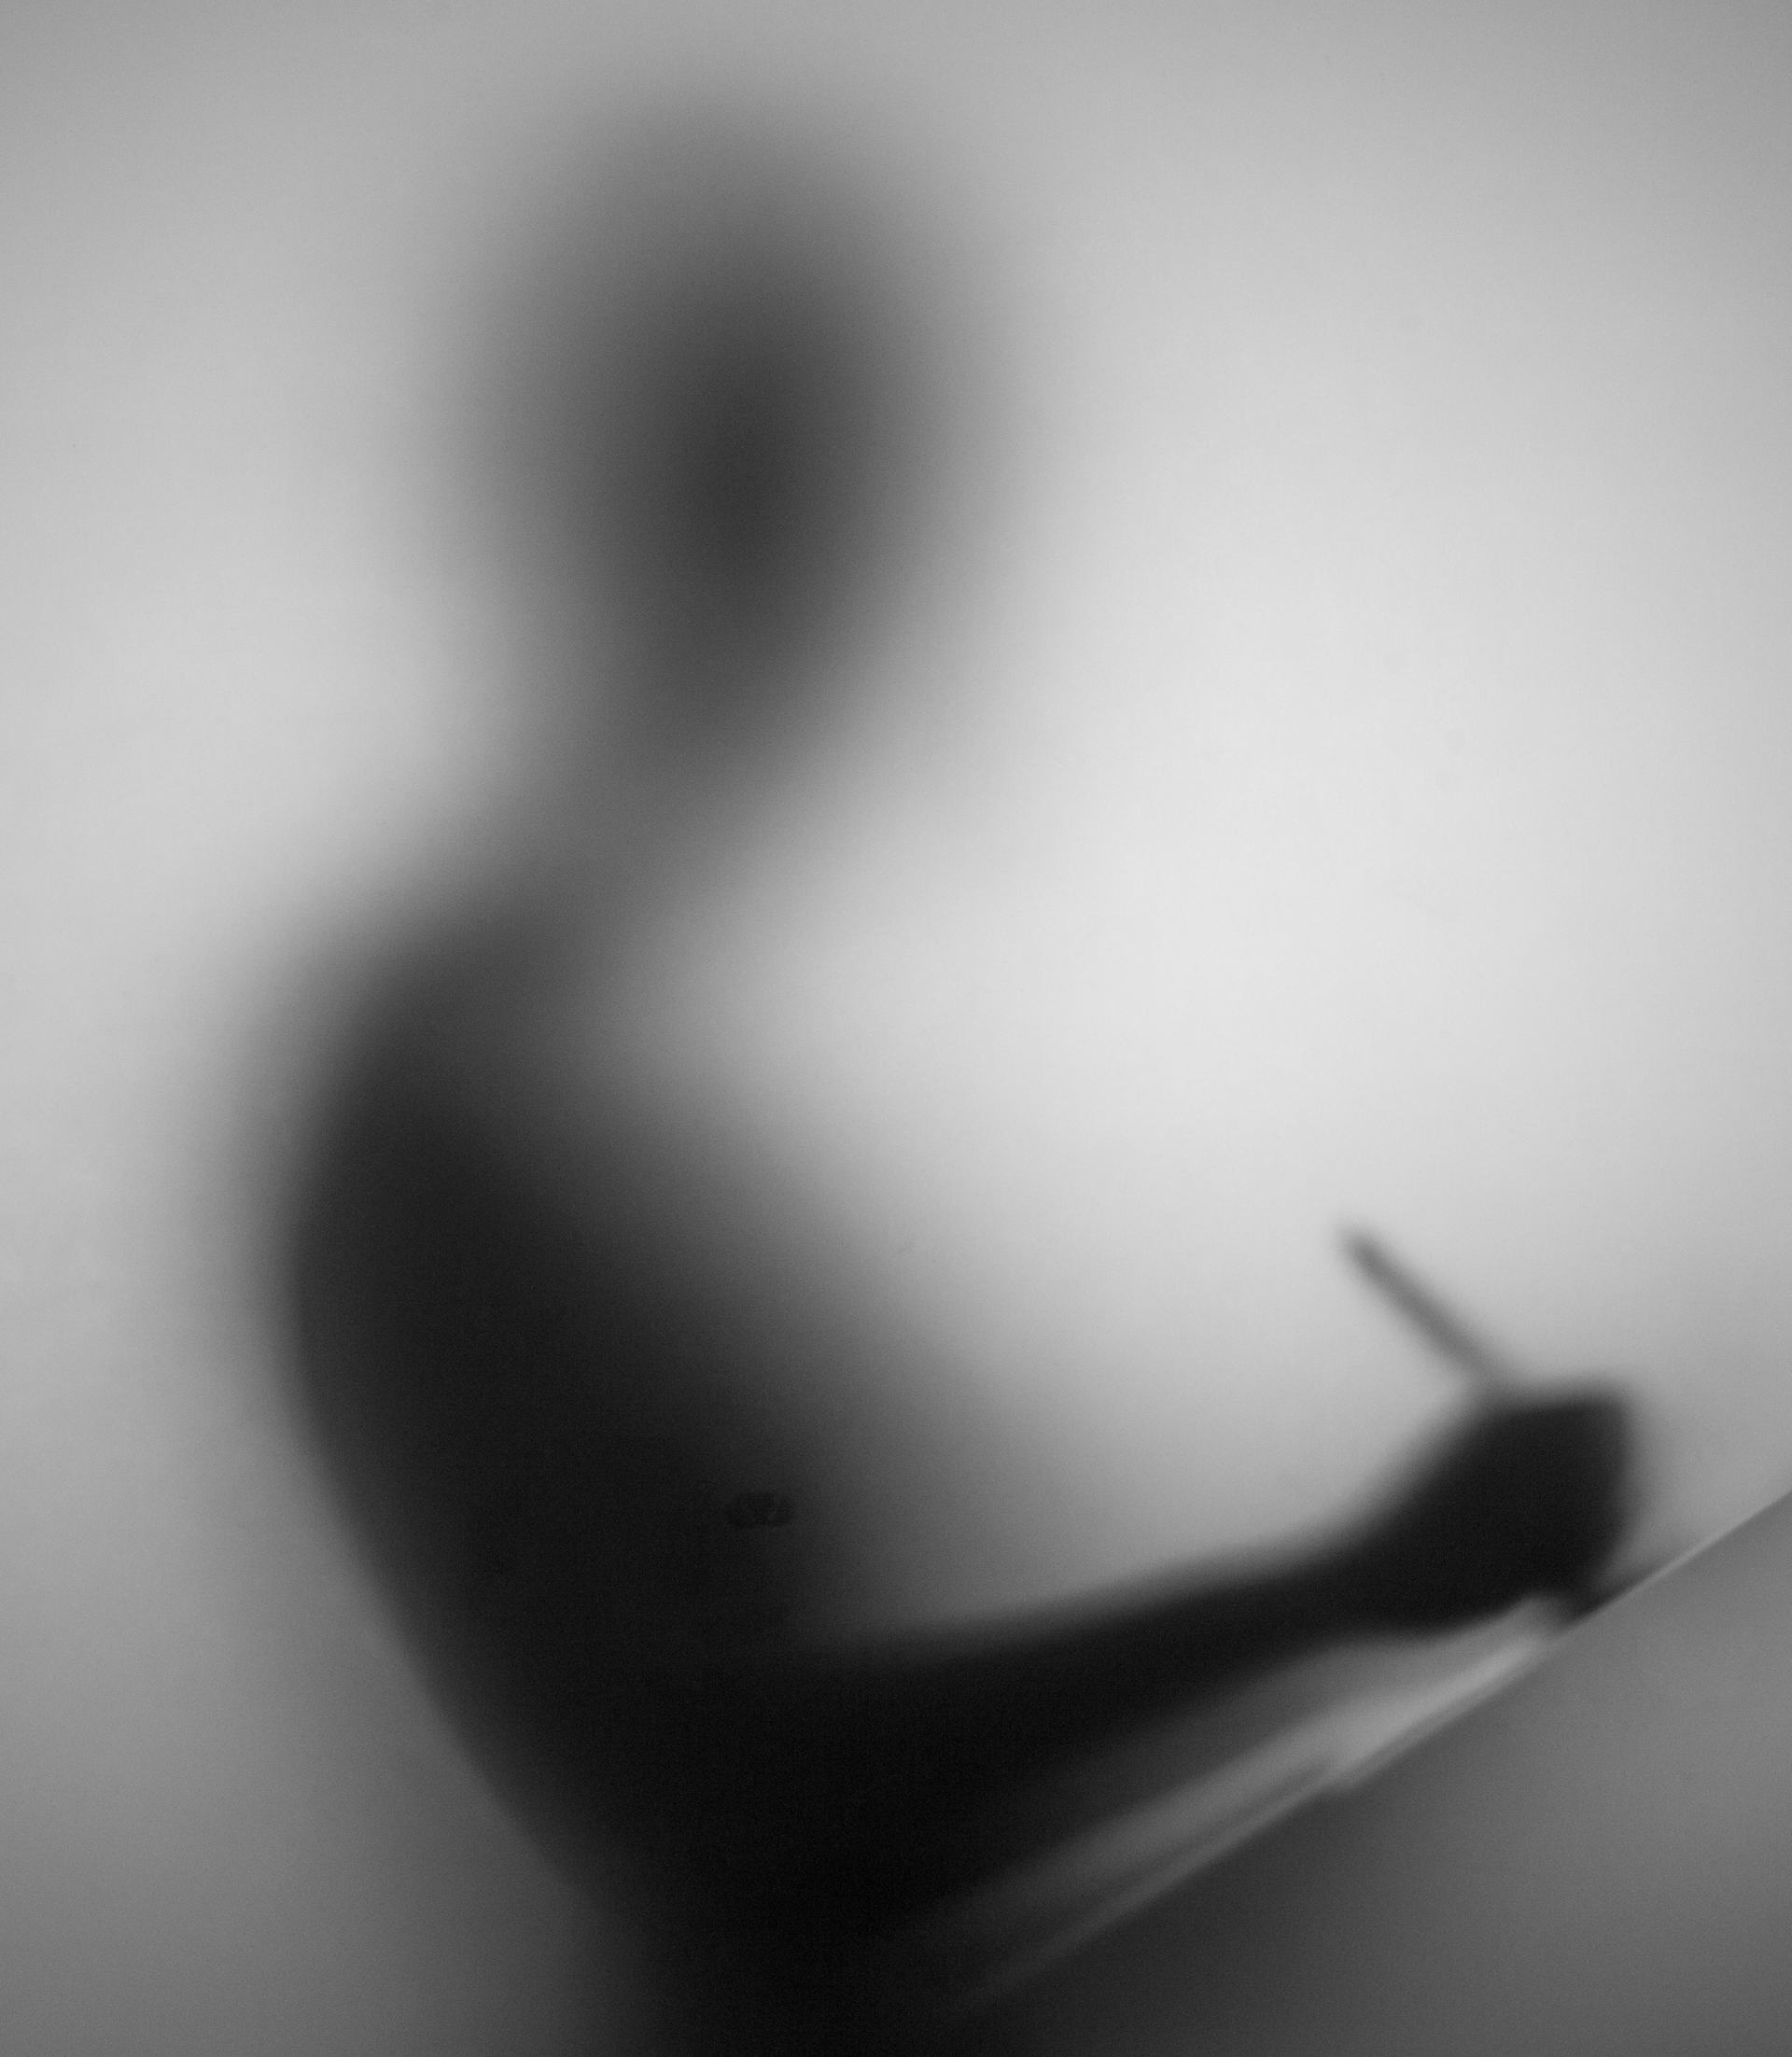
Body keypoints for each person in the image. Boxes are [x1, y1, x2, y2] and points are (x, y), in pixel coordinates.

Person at [282, 121, 1635, 2055]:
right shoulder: (435, 1123)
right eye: (792, 515)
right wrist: (1352, 1587)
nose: (857, 617)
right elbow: (719, 1810)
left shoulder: (614, 1084)